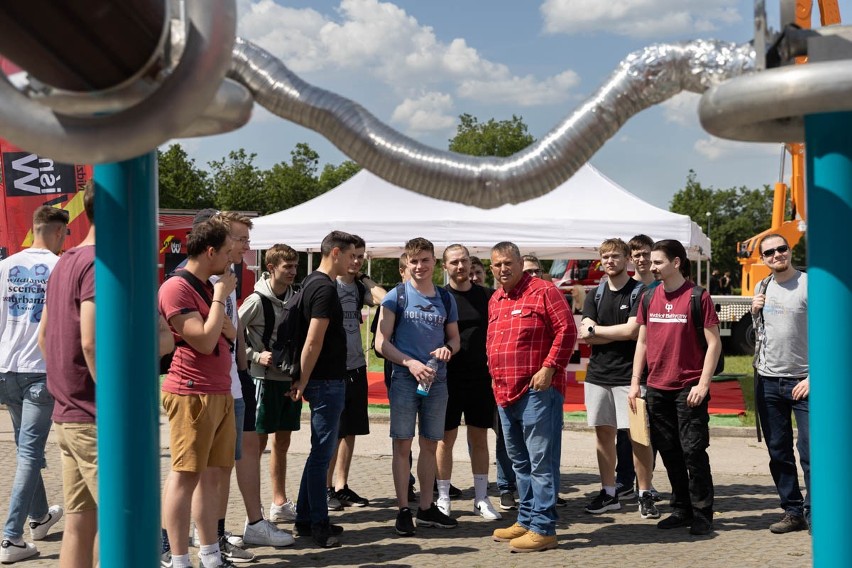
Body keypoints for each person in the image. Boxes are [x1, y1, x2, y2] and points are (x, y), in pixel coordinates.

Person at [159, 218, 238, 568]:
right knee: (185, 476)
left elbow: (231, 334)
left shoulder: (206, 286)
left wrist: (218, 302)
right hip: (192, 394)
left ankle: (210, 555)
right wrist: (221, 297)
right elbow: (206, 341)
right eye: (226, 251)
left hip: (219, 392)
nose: (230, 258)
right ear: (210, 252)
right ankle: (178, 559)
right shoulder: (177, 288)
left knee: (211, 478)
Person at [487, 242, 576, 553]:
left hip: (538, 391)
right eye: (497, 264)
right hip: (505, 393)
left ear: (519, 262)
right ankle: (525, 520)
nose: (503, 269)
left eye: (508, 263)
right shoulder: (495, 298)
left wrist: (550, 368)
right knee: (519, 462)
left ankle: (544, 527)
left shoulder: (543, 291)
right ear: (491, 267)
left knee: (541, 463)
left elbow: (567, 330)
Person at [629, 239, 721, 536]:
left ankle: (702, 512)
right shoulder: (648, 296)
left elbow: (714, 343)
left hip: (688, 388)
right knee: (669, 451)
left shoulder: (697, 296)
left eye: (657, 262)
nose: (651, 267)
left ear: (677, 262)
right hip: (657, 387)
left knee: (693, 451)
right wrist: (635, 384)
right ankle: (681, 508)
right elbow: (642, 342)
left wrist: (703, 384)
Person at [375, 237, 460, 537]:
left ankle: (426, 508)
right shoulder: (395, 296)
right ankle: (402, 510)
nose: (419, 266)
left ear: (434, 262)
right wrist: (410, 363)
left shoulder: (446, 299)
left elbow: (455, 340)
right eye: (414, 261)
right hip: (404, 379)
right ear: (406, 264)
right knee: (402, 444)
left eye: (425, 260)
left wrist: (448, 349)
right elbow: (380, 343)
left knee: (430, 444)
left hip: (436, 381)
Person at [0, 206, 68, 563]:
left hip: (6, 370)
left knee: (28, 448)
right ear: (59, 232)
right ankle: (11, 538)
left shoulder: (6, 266)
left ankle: (39, 518)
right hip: (40, 371)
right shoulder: (61, 268)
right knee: (29, 453)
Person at [289, 231, 362, 548]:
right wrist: (303, 380)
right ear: (335, 253)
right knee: (322, 455)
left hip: (323, 380)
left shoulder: (310, 283)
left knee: (318, 453)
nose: (354, 262)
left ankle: (305, 520)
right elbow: (313, 340)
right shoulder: (323, 288)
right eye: (350, 256)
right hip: (326, 381)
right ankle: (318, 524)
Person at [578, 239, 658, 520]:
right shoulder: (595, 293)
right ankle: (608, 492)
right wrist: (604, 331)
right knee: (603, 437)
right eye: (605, 256)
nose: (610, 261)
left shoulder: (640, 292)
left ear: (628, 259)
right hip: (598, 376)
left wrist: (598, 330)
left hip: (630, 378)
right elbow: (584, 330)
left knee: (639, 438)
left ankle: (645, 493)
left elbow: (634, 331)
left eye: (615, 256)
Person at [38, 182, 97, 568]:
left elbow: (44, 336)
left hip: (67, 412)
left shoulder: (65, 260)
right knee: (119, 521)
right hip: (93, 416)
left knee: (79, 524)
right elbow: (91, 342)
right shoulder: (97, 263)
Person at [435, 244, 501, 521]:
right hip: (446, 380)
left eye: (463, 261)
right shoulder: (438, 297)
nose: (460, 267)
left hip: (480, 380)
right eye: (454, 263)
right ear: (445, 267)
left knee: (479, 439)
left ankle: (481, 498)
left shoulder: (488, 296)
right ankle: (442, 497)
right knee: (444, 440)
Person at [239, 244, 303, 527]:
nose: (292, 272)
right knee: (257, 443)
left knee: (283, 442)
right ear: (271, 268)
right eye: (286, 267)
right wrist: (255, 355)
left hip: (288, 379)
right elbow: (231, 332)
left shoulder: (297, 298)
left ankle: (279, 502)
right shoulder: (255, 300)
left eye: (294, 266)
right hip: (262, 380)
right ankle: (255, 512)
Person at [752, 234, 810, 534]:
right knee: (779, 451)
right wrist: (754, 311)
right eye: (769, 252)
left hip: (805, 381)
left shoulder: (809, 285)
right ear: (763, 259)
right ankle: (793, 511)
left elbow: (833, 334)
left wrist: (815, 378)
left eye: (781, 249)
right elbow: (760, 335)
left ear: (790, 251)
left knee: (811, 451)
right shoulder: (762, 286)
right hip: (769, 381)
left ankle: (818, 513)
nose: (777, 255)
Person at [327, 236, 387, 508]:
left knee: (350, 431)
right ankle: (325, 488)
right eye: (353, 256)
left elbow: (384, 299)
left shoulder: (359, 288)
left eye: (361, 256)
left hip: (357, 366)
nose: (356, 260)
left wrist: (364, 277)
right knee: (333, 432)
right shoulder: (328, 285)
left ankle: (341, 486)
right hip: (334, 368)